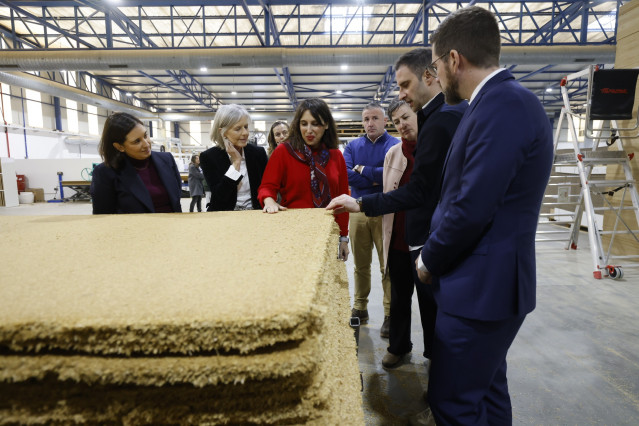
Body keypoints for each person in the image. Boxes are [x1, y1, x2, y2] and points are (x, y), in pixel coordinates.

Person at [416, 6, 553, 425]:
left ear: (454, 59)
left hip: (482, 289)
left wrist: (428, 259)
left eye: (436, 65)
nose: (437, 76)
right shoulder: (493, 102)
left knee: (453, 403)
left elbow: (472, 206)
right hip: (483, 285)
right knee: (487, 394)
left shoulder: (504, 104)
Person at [327, 47, 467, 372]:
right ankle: (399, 346)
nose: (401, 124)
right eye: (397, 120)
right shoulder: (393, 153)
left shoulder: (439, 132)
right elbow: (381, 183)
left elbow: (414, 192)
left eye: (406, 116)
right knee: (399, 297)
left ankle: (434, 355)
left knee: (430, 303)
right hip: (398, 235)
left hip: (426, 239)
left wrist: (362, 199)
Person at [258, 98, 350, 261]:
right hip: (293, 232)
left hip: (327, 231)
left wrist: (343, 238)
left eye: (315, 123)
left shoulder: (336, 156)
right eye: (304, 123)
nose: (309, 130)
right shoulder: (284, 152)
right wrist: (269, 201)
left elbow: (342, 200)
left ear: (326, 124)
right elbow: (267, 187)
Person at [342, 102, 398, 336]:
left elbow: (394, 176)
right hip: (358, 212)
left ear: (385, 121)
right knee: (360, 265)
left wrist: (363, 171)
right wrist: (377, 177)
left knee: (388, 266)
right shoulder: (353, 146)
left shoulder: (396, 145)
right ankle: (360, 307)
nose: (370, 123)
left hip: (386, 212)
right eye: (366, 119)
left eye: (375, 118)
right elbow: (346, 175)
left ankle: (389, 313)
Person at [91, 112, 182, 214]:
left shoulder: (167, 160)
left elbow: (176, 199)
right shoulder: (105, 173)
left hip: (172, 227)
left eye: (145, 135)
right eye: (137, 141)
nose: (146, 144)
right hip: (133, 229)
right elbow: (102, 216)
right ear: (119, 147)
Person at [199, 104, 268, 211]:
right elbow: (220, 196)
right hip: (225, 214)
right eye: (238, 129)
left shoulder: (258, 153)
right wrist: (236, 162)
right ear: (223, 132)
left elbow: (266, 186)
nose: (245, 133)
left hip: (256, 212)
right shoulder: (209, 157)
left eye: (246, 127)